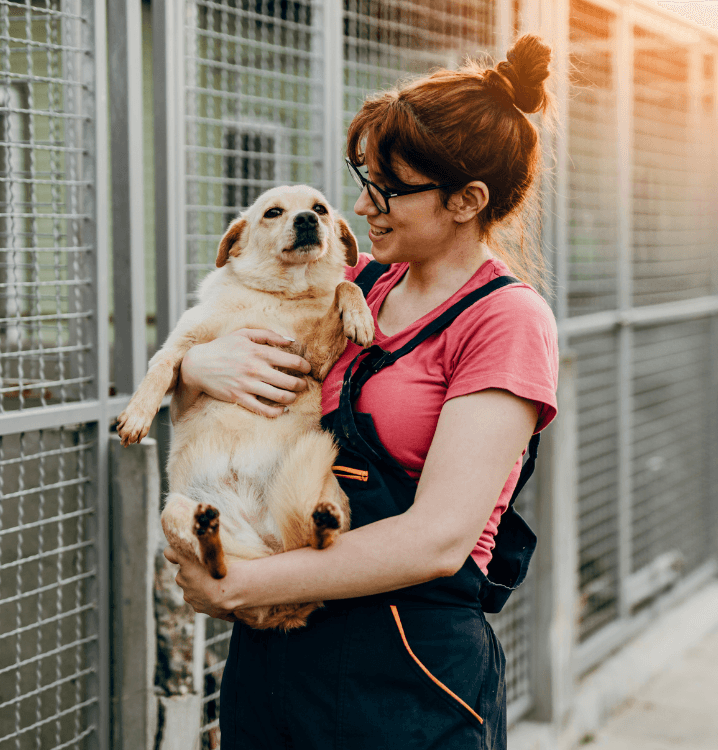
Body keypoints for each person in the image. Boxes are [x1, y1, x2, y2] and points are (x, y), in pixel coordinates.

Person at [164, 34, 560, 749]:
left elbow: (440, 538)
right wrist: (196, 369)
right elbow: (236, 378)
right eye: (364, 176)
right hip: (281, 651)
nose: (361, 204)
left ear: (467, 200)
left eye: (388, 188)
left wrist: (244, 586)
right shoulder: (360, 285)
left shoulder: (507, 321)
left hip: (404, 666)